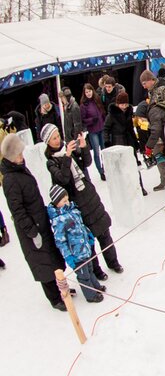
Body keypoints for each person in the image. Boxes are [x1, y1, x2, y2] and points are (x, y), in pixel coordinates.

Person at [43, 123, 123, 279]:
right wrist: (66, 156)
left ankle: (113, 262)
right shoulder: (51, 162)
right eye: (53, 138)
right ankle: (97, 270)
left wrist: (84, 147)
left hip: (89, 196)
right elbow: (64, 179)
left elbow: (85, 164)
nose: (58, 140)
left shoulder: (67, 149)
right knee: (89, 239)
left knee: (104, 232)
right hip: (77, 203)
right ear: (47, 142)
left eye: (58, 135)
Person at [1, 134, 67, 310]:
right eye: (18, 154)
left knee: (52, 258)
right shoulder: (10, 179)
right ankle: (55, 298)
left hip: (40, 221)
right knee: (43, 264)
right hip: (32, 229)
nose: (22, 157)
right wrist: (31, 231)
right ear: (10, 157)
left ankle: (62, 290)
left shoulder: (19, 169)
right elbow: (17, 210)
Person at [47, 185, 105, 303]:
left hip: (85, 249)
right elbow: (61, 242)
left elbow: (81, 226)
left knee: (90, 269)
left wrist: (89, 236)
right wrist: (69, 257)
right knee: (83, 276)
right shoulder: (58, 220)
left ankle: (96, 287)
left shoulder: (73, 210)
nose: (67, 202)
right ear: (57, 203)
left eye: (67, 200)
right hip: (76, 254)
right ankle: (90, 295)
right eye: (64, 201)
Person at [104, 92, 147, 196]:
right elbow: (106, 129)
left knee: (134, 165)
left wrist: (137, 143)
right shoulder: (111, 115)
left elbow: (131, 128)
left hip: (129, 141)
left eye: (126, 104)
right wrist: (107, 142)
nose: (124, 106)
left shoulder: (129, 111)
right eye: (122, 104)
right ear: (117, 104)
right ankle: (125, 190)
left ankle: (140, 187)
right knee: (121, 168)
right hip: (118, 142)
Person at [140, 69, 165, 195]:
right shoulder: (151, 92)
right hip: (157, 128)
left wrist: (158, 111)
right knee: (158, 153)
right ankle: (164, 179)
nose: (143, 86)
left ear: (151, 80)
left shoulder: (164, 88)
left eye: (144, 83)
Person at [80, 83, 107, 181]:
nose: (88, 93)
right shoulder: (83, 105)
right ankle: (101, 171)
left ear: (92, 91)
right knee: (96, 151)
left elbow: (103, 112)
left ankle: (105, 168)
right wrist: (91, 120)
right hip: (93, 131)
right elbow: (83, 120)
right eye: (86, 92)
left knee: (104, 150)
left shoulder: (97, 100)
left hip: (102, 128)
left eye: (89, 91)